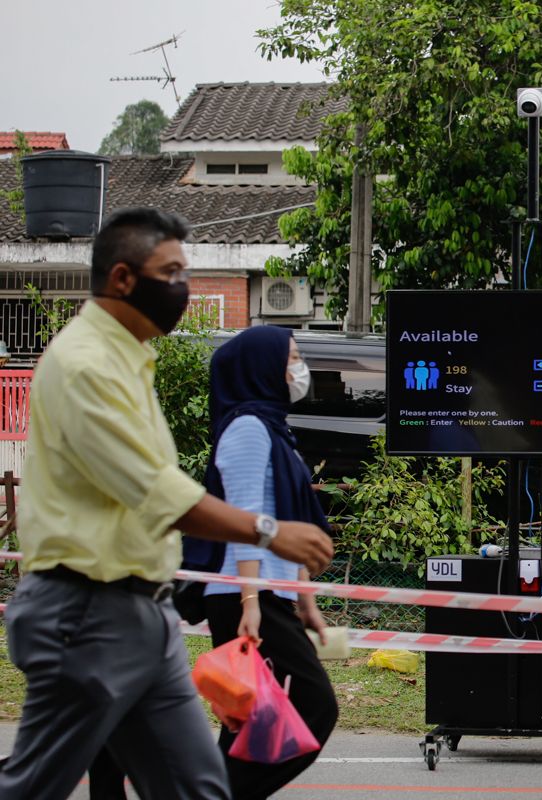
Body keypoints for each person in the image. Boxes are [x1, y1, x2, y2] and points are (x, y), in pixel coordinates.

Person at [0, 208, 334, 799]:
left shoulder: (130, 363)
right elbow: (157, 492)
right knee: (31, 787)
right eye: (172, 272)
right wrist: (268, 532)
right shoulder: (86, 367)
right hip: (85, 612)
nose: (183, 288)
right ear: (124, 278)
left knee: (199, 789)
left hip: (143, 613)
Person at [203, 325, 340, 798]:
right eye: (291, 358)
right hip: (245, 593)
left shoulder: (276, 430)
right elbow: (244, 518)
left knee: (247, 723)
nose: (298, 369)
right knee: (316, 707)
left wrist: (306, 605)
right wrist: (250, 603)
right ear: (261, 367)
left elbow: (287, 525)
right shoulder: (245, 428)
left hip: (270, 594)